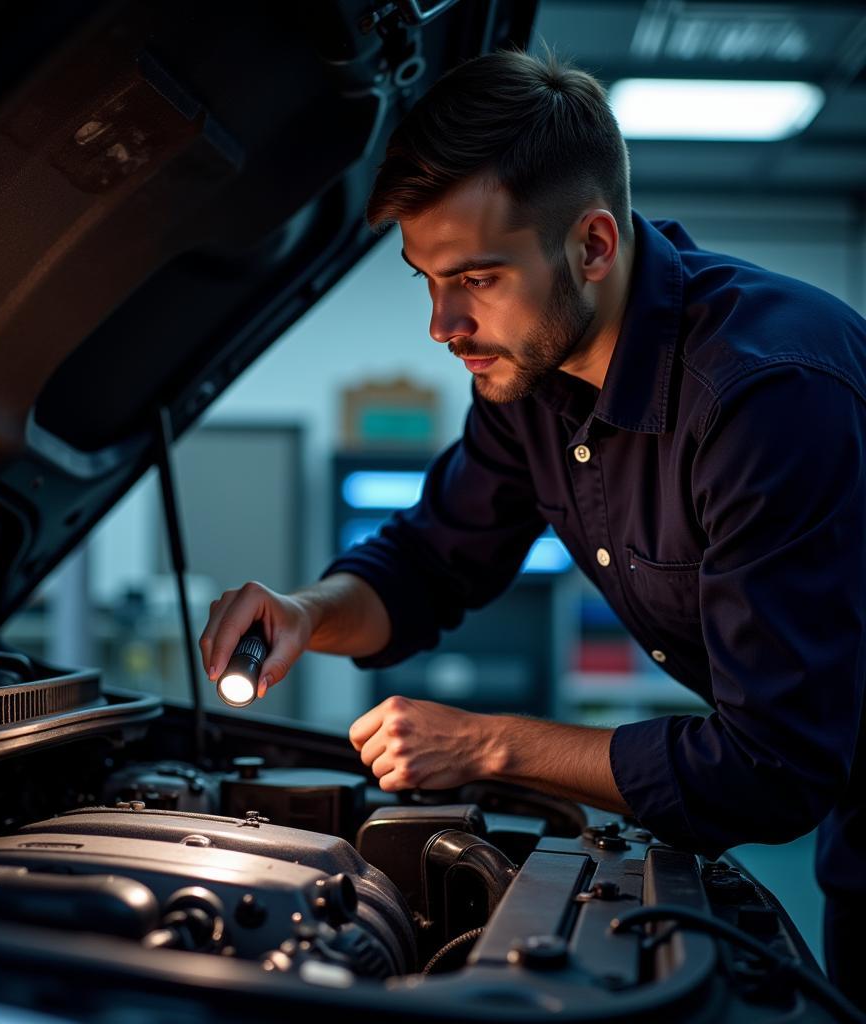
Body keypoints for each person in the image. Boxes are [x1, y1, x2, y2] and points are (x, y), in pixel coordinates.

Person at [199, 50, 866, 1007]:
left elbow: (774, 767)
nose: (442, 324)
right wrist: (306, 611)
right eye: (425, 278)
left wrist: (486, 744)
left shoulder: (767, 397)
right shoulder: (528, 381)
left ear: (592, 245)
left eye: (475, 277)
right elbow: (431, 559)